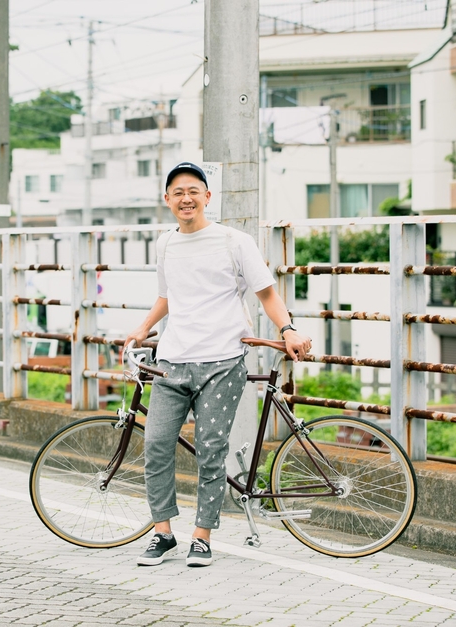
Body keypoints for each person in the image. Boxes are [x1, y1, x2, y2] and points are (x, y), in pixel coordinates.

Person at [125, 162, 312, 568]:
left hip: (223, 361)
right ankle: (162, 533)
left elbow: (266, 293)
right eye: (177, 192)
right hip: (172, 360)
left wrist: (289, 328)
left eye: (194, 190)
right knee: (157, 447)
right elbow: (167, 295)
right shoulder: (164, 245)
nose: (186, 198)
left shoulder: (233, 241)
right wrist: (142, 328)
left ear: (207, 197)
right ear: (167, 200)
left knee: (210, 450)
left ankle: (203, 536)